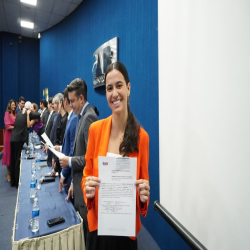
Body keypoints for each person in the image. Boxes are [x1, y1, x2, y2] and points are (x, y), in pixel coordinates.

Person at [82, 62, 150, 250]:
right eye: (109, 88)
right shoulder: (95, 130)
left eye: (119, 85)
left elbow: (142, 185)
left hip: (125, 232)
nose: (114, 93)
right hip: (98, 228)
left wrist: (143, 195)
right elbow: (87, 175)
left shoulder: (141, 138)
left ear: (128, 88)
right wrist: (87, 188)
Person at [59, 78, 98, 244]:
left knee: (87, 238)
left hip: (86, 194)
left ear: (81, 98)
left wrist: (69, 161)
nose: (71, 105)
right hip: (79, 185)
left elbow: (91, 159)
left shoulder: (89, 117)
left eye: (73, 101)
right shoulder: (81, 115)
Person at [52, 88, 78, 194]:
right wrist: (61, 148)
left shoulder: (74, 118)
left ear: (64, 102)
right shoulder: (69, 117)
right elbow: (68, 145)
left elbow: (73, 149)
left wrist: (63, 174)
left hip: (69, 172)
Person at [10, 101, 40, 187]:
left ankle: (13, 181)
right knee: (17, 161)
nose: (31, 109)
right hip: (18, 139)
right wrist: (29, 112)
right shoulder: (27, 113)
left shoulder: (19, 112)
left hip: (13, 138)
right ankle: (16, 183)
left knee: (13, 160)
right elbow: (38, 115)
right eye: (30, 107)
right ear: (28, 108)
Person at [2, 99, 16, 182]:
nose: (14, 106)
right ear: (10, 105)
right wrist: (16, 127)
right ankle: (8, 173)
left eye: (14, 105)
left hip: (14, 136)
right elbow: (7, 126)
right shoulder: (7, 114)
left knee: (13, 153)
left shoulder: (16, 114)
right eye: (12, 105)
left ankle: (12, 171)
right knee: (8, 153)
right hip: (8, 136)